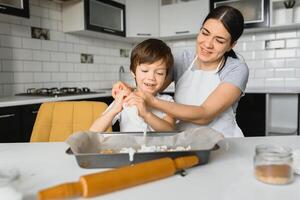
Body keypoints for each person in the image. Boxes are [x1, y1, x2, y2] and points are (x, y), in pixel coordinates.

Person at [113, 6, 249, 137]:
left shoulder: (236, 69)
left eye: (219, 40)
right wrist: (126, 89)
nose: (207, 44)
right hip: (183, 141)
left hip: (223, 142)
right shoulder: (182, 59)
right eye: (205, 33)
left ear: (231, 45)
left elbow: (205, 115)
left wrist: (153, 102)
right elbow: (151, 87)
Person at [89, 38, 175, 132]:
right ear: (133, 72)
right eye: (145, 71)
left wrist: (146, 115)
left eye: (159, 73)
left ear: (166, 76)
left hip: (159, 147)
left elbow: (170, 130)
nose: (151, 77)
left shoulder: (167, 101)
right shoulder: (124, 98)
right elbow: (94, 131)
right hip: (127, 147)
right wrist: (114, 109)